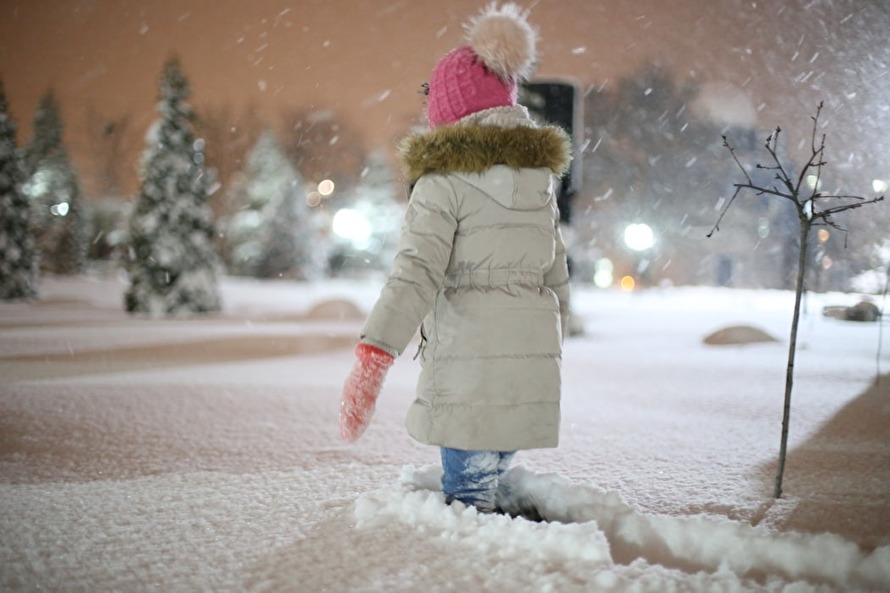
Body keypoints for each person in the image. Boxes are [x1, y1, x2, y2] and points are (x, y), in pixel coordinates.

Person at [339, 2, 571, 515]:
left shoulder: (443, 183)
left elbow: (414, 274)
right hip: (526, 369)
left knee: (466, 507)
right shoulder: (540, 181)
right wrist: (552, 339)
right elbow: (556, 272)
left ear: (450, 112)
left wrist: (373, 355)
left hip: (467, 366)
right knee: (488, 483)